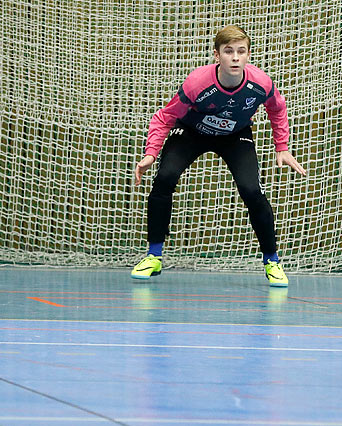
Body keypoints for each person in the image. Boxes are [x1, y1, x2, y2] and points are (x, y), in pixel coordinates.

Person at [131, 26, 306, 287]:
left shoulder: (261, 84)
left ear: (248, 55)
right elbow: (165, 116)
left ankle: (272, 261)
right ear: (217, 56)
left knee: (251, 190)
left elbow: (277, 109)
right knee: (164, 178)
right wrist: (151, 153)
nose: (235, 57)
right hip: (191, 131)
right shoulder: (197, 83)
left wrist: (282, 145)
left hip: (235, 136)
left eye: (241, 51)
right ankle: (153, 255)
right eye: (228, 52)